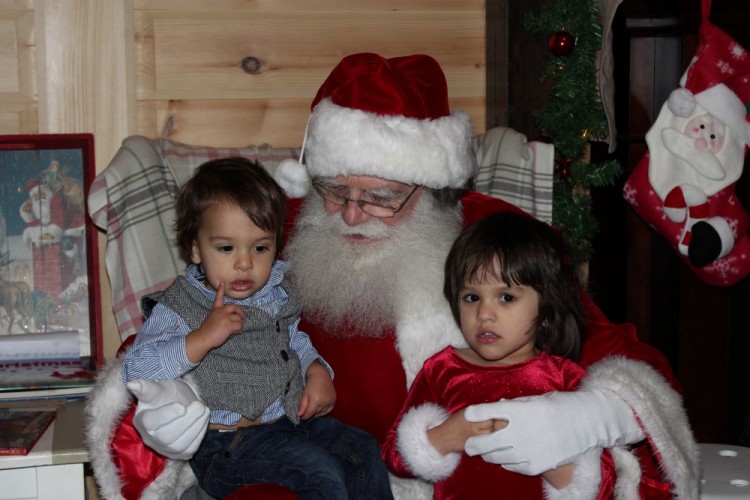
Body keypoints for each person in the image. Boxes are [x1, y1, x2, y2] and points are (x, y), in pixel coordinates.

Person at [89, 53, 700, 499]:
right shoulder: (281, 232)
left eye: (381, 196)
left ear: (432, 189)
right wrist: (159, 409)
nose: (353, 214)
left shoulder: (488, 237)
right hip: (281, 455)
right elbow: (169, 326)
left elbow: (617, 353)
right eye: (336, 189)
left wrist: (583, 416)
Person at [120, 157, 393, 499]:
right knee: (319, 474)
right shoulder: (180, 305)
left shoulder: (276, 293)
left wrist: (316, 370)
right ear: (194, 248)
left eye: (260, 248)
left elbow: (292, 339)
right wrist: (200, 340)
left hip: (292, 424)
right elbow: (135, 369)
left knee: (361, 451)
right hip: (228, 444)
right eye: (226, 248)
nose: (245, 263)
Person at [383, 211, 621, 498]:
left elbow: (607, 482)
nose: (483, 314)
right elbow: (394, 455)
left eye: (506, 297)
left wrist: (550, 462)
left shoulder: (564, 379)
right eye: (471, 297)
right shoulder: (442, 369)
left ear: (545, 310)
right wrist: (446, 436)